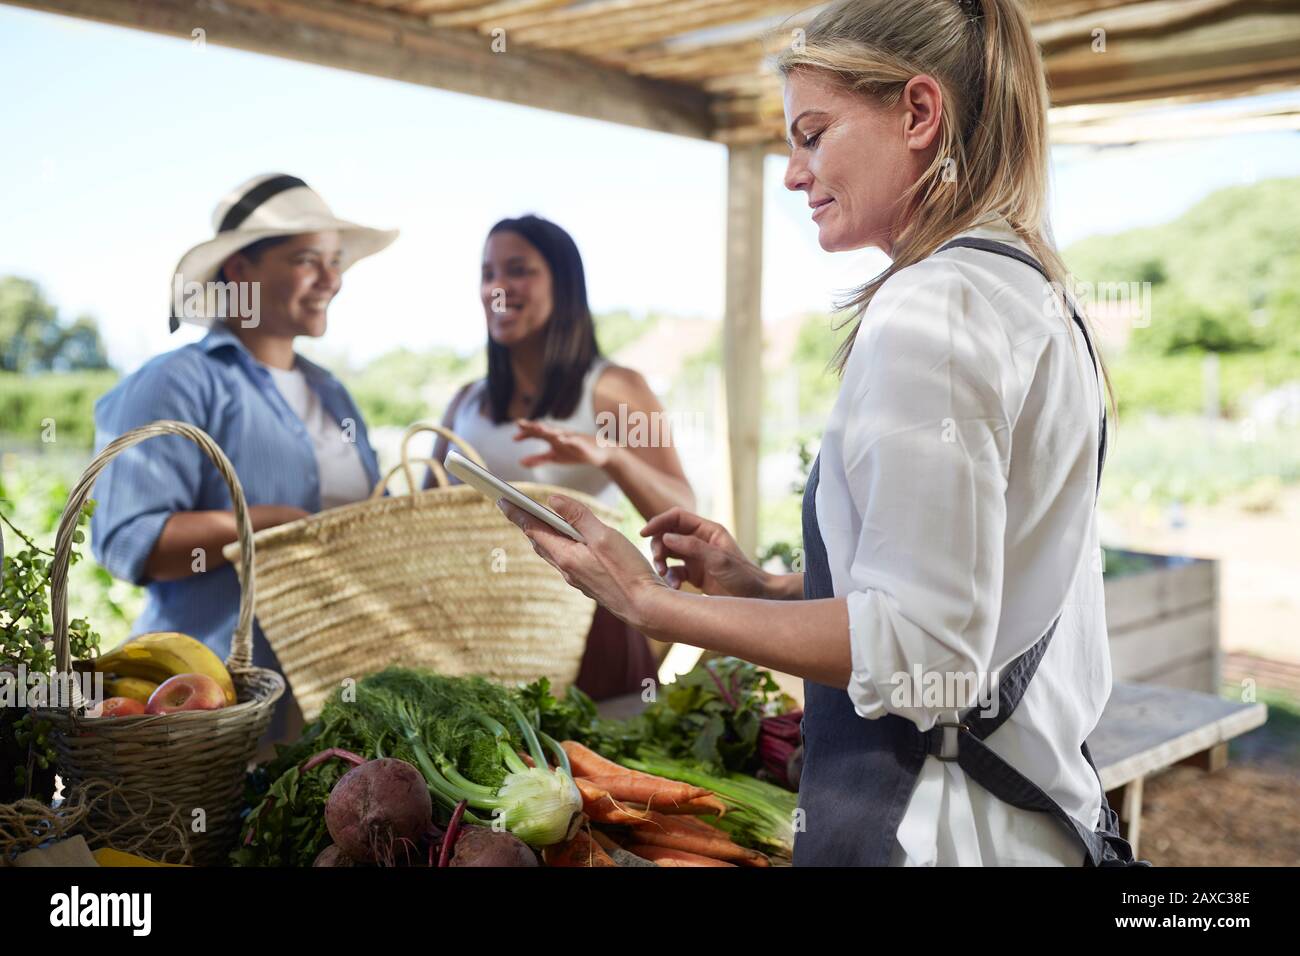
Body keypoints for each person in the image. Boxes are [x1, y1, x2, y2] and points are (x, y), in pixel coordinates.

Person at [497, 0, 1142, 866]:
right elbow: (972, 591)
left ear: (919, 113)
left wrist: (650, 603)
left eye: (813, 133)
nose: (794, 174)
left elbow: (922, 650)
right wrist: (762, 589)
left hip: (934, 832)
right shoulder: (1033, 293)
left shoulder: (931, 307)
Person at [92, 173, 397, 741]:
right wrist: (270, 527)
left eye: (336, 261)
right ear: (240, 271)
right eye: (308, 259)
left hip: (333, 696)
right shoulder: (177, 383)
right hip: (211, 704)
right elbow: (127, 538)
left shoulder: (333, 394)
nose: (332, 279)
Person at [428, 214, 695, 699]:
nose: (498, 287)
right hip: (481, 635)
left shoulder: (613, 388)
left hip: (591, 622)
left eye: (519, 270)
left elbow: (684, 512)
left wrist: (612, 456)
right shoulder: (464, 403)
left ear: (563, 283)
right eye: (488, 273)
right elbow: (423, 518)